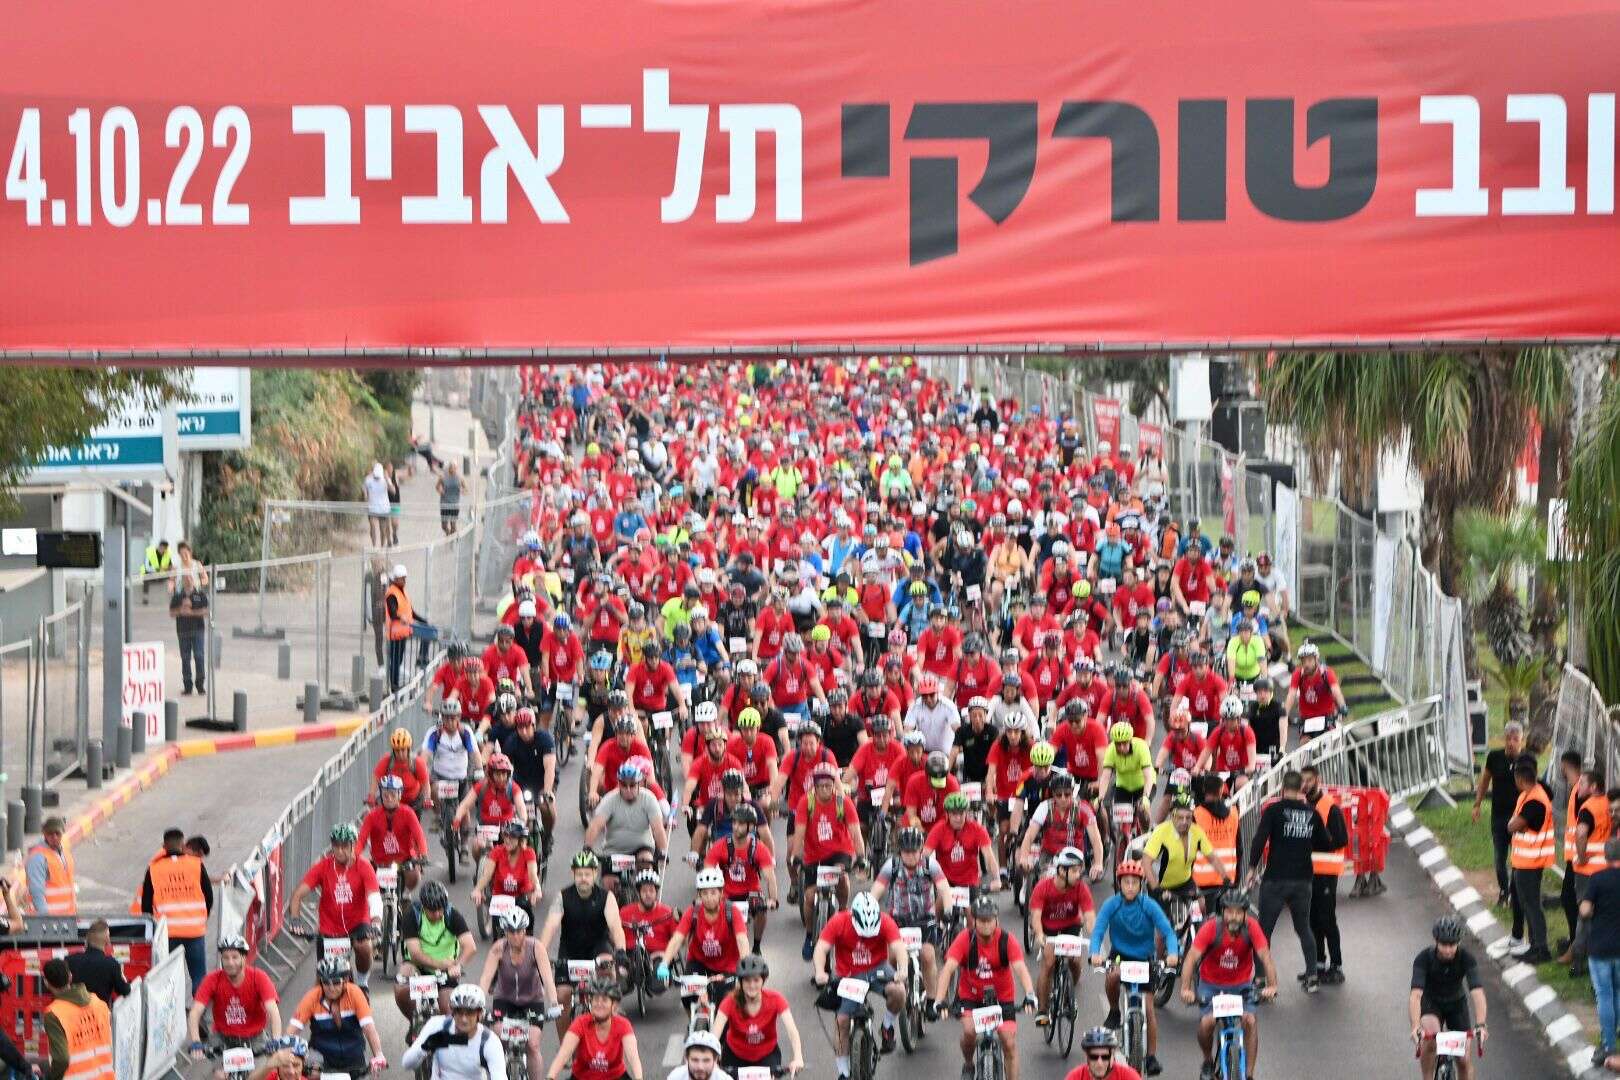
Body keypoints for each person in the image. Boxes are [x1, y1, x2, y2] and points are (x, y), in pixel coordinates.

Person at [932, 894, 1037, 1080]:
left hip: (1002, 997)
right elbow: (948, 969)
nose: (986, 925)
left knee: (1009, 1043)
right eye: (982, 921)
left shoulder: (1007, 940)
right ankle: (968, 1063)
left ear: (997, 920)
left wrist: (1030, 994)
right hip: (970, 996)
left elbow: (1021, 968)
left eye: (990, 920)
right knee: (969, 1032)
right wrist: (939, 1000)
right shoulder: (964, 939)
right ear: (974, 921)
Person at [1244, 769, 1331, 991]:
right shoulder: (1312, 813)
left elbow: (1259, 839)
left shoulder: (1273, 811)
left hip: (1275, 879)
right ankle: (1312, 976)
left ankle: (1260, 979)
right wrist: (1304, 842)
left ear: (1282, 789)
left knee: (1264, 931)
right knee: (1303, 928)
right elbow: (1326, 842)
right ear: (1302, 788)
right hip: (1302, 880)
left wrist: (1252, 868)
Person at [1178, 889, 1279, 1080]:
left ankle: (1249, 1074)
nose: (1234, 916)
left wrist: (1272, 985)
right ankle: (1208, 1061)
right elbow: (1191, 958)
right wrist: (1185, 989)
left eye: (1239, 912)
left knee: (1250, 1021)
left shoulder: (1252, 927)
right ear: (1222, 912)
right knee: (1207, 1023)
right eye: (1230, 911)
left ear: (1245, 914)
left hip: (1241, 985)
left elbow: (1265, 956)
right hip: (1211, 985)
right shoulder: (1210, 928)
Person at [1089, 861, 1177, 1077]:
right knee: (1112, 976)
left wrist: (1173, 953)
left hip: (1145, 959)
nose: (1130, 887)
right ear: (1119, 884)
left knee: (1149, 1008)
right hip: (1120, 956)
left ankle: (1151, 1056)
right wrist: (1094, 953)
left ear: (1141, 884)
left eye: (1134, 883)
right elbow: (1098, 930)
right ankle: (1114, 1011)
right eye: (1126, 882)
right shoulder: (1111, 904)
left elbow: (1168, 931)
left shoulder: (1149, 905)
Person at [812, 892, 908, 1074]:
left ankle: (887, 1027)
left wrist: (902, 970)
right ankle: (843, 1072)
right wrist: (819, 972)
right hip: (849, 975)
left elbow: (899, 947)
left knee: (899, 992)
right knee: (842, 1021)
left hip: (878, 969)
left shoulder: (886, 921)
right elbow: (821, 948)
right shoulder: (839, 921)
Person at [537, 851, 627, 1042]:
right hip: (570, 951)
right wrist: (540, 955)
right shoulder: (563, 897)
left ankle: (613, 1013)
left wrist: (621, 950)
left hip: (598, 949)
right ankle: (566, 1046)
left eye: (587, 874)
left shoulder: (606, 897)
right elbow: (550, 927)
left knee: (608, 966)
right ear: (573, 874)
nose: (583, 878)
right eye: (579, 874)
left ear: (595, 874)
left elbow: (615, 927)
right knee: (562, 995)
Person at [286, 824, 381, 980]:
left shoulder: (364, 866)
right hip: (330, 927)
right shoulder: (323, 866)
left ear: (353, 845)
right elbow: (297, 895)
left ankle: (362, 981)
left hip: (358, 923)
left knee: (364, 946)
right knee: (322, 980)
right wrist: (295, 920)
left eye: (344, 846)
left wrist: (376, 922)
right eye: (336, 846)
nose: (340, 851)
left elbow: (374, 897)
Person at [477, 906, 557, 1080]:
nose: (516, 936)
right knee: (498, 1038)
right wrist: (478, 1003)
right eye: (511, 932)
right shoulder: (498, 949)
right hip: (504, 999)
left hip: (532, 1000)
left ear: (525, 931)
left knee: (533, 1044)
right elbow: (485, 978)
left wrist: (554, 1003)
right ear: (505, 932)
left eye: (519, 931)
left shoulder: (536, 948)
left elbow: (547, 979)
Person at [1409, 915, 1488, 1080]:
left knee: (1464, 1060)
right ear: (1436, 941)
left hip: (1456, 1004)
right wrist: (1416, 1026)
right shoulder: (1423, 959)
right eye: (1443, 944)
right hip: (1431, 1003)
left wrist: (1481, 1024)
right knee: (1431, 1040)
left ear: (1458, 942)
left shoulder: (1466, 958)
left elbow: (1477, 992)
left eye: (1452, 945)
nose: (1447, 950)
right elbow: (1416, 995)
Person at [138, 826, 213, 994]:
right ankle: (199, 1009)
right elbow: (208, 896)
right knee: (198, 976)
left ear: (164, 846)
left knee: (168, 978)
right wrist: (201, 918)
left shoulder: (154, 869)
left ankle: (172, 1010)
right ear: (182, 844)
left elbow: (146, 905)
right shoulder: (196, 865)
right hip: (194, 931)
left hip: (167, 933)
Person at [284, 959, 386, 1077]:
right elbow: (292, 1030)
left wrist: (378, 1055)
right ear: (321, 981)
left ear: (345, 980)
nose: (331, 988)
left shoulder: (355, 993)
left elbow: (369, 1028)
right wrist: (283, 1054)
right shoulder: (312, 996)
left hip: (353, 1056)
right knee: (309, 1073)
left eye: (336, 982)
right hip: (321, 1055)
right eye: (326, 982)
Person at [394, 880, 477, 1022]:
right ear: (423, 907)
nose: (438, 914)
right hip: (417, 966)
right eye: (432, 910)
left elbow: (470, 947)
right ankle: (414, 1022)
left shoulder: (452, 915)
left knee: (449, 1010)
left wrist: (458, 966)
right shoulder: (412, 915)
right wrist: (440, 964)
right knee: (401, 989)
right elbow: (415, 954)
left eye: (440, 909)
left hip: (446, 972)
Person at [1031, 847, 1096, 1027]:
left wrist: (1094, 936)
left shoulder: (1081, 888)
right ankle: (1042, 1010)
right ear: (1061, 870)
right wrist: (1040, 935)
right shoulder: (1043, 887)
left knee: (1074, 961)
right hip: (1048, 929)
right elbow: (1035, 917)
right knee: (1049, 963)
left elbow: (1089, 916)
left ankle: (1069, 994)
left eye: (1079, 870)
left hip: (1071, 926)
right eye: (1074, 871)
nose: (1078, 875)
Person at [1471, 721, 1534, 908]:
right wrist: (1477, 804)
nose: (1511, 743)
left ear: (1521, 740)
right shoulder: (1494, 757)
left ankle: (1514, 893)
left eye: (1515, 739)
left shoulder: (1527, 760)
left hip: (1519, 818)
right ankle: (1504, 891)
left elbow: (1533, 789)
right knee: (1499, 859)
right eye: (1508, 739)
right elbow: (1485, 781)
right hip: (1498, 816)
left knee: (1517, 858)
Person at [188, 934, 281, 1056]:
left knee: (269, 1064)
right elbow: (195, 1012)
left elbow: (273, 1011)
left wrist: (276, 1040)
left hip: (255, 1039)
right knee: (216, 1067)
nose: (230, 962)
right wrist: (196, 1041)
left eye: (235, 957)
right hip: (222, 1039)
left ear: (244, 958)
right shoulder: (212, 979)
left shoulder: (259, 977)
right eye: (226, 958)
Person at [713, 955, 804, 1077]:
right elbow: (714, 1034)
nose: (752, 985)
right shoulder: (729, 1001)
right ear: (741, 982)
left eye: (756, 980)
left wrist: (798, 1057)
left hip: (766, 1055)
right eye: (747, 980)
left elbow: (792, 1031)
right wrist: (711, 1058)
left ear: (763, 981)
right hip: (734, 1055)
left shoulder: (776, 999)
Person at [1301, 764, 1351, 984]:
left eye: (1309, 780)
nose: (1305, 785)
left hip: (1327, 873)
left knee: (1327, 919)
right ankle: (1318, 964)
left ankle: (1336, 966)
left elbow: (1341, 839)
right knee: (1312, 920)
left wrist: (1316, 840)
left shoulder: (1330, 808)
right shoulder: (1304, 807)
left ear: (1318, 780)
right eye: (1302, 781)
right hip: (1308, 873)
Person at [544, 977, 644, 1080]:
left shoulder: (623, 1024)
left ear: (614, 1006)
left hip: (615, 1077)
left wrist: (639, 1077)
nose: (599, 1004)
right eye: (596, 999)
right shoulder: (580, 1022)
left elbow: (633, 1057)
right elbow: (564, 1054)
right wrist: (550, 1077)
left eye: (604, 1000)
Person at [402, 983, 507, 1080]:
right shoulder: (437, 1025)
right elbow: (406, 1064)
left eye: (470, 1013)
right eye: (459, 1012)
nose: (464, 1019)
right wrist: (425, 1046)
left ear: (480, 1014)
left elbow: (500, 1076)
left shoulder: (489, 1042)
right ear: (452, 1012)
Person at [1506, 759, 1555, 963]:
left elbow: (1512, 826)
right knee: (1528, 904)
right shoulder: (1529, 795)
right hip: (1525, 861)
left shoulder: (1535, 801)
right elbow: (1515, 824)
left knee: (1532, 906)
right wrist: (1516, 824)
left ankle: (1541, 949)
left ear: (1519, 779)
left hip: (1531, 863)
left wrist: (1516, 824)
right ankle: (1535, 945)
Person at [43, 957, 112, 1080]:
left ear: (46, 983)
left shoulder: (53, 1014)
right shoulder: (98, 1003)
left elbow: (61, 1059)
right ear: (70, 976)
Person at [357, 774, 428, 892]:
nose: (389, 798)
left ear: (400, 795)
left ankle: (406, 893)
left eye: (393, 794)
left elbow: (419, 835)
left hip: (404, 861)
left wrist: (423, 854)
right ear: (381, 795)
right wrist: (354, 856)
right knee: (363, 883)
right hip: (380, 862)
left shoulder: (408, 813)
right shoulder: (371, 816)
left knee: (414, 875)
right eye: (385, 795)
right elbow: (361, 839)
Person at [169, 542, 209, 696]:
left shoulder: (197, 565)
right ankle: (187, 686)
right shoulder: (176, 567)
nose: (184, 556)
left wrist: (197, 583)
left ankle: (200, 684)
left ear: (190, 552)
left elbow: (205, 579)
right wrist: (171, 586)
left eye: (186, 553)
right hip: (182, 616)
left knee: (199, 655)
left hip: (195, 600)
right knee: (185, 657)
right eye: (181, 554)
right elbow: (171, 580)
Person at [385, 564, 432, 691]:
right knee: (395, 660)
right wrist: (402, 618)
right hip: (395, 634)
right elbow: (393, 613)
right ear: (396, 579)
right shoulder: (392, 594)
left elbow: (410, 611)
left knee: (399, 660)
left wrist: (422, 620)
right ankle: (394, 686)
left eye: (405, 578)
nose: (405, 581)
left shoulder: (403, 592)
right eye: (402, 578)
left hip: (404, 632)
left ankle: (422, 657)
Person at [66, 920, 130, 1007]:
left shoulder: (70, 960)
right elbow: (124, 990)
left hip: (74, 1012)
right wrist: (121, 975)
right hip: (99, 1012)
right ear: (107, 939)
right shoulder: (111, 964)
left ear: (87, 940)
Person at [26, 816, 76, 915]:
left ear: (63, 833)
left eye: (57, 833)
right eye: (50, 833)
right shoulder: (38, 857)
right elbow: (36, 891)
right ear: (44, 834)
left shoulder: (65, 854)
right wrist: (45, 918)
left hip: (67, 917)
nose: (54, 837)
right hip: (48, 919)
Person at [1064, 1026, 1141, 1080]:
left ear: (1112, 1056)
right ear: (1087, 1056)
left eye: (1105, 1057)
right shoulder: (1075, 1077)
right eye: (1094, 1057)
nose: (1099, 1063)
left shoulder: (1129, 1076)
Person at [666, 1030, 734, 1080]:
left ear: (715, 1060)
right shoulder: (675, 1077)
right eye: (695, 1060)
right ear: (686, 1058)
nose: (700, 1067)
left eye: (706, 1060)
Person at [364, 462, 391, 546]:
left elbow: (393, 491)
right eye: (375, 476)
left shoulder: (385, 479)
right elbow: (364, 488)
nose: (377, 478)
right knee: (372, 526)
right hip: (372, 508)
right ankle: (374, 546)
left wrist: (387, 481)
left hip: (384, 508)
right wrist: (365, 496)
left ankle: (382, 547)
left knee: (382, 529)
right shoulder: (368, 479)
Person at [141, 539, 171, 605]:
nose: (163, 550)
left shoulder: (166, 555)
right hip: (151, 574)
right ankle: (145, 598)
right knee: (146, 577)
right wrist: (158, 569)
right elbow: (147, 567)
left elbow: (169, 566)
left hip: (161, 575)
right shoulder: (150, 553)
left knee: (172, 576)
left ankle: (172, 597)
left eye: (165, 549)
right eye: (162, 548)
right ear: (159, 546)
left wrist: (166, 569)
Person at [437, 461, 462, 537]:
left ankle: (452, 538)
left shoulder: (459, 478)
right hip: (445, 504)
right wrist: (440, 490)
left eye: (454, 467)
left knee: (453, 525)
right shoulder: (443, 477)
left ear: (456, 468)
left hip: (455, 504)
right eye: (451, 467)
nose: (452, 469)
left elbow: (466, 489)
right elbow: (437, 486)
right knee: (444, 526)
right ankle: (448, 534)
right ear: (449, 468)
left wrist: (463, 490)